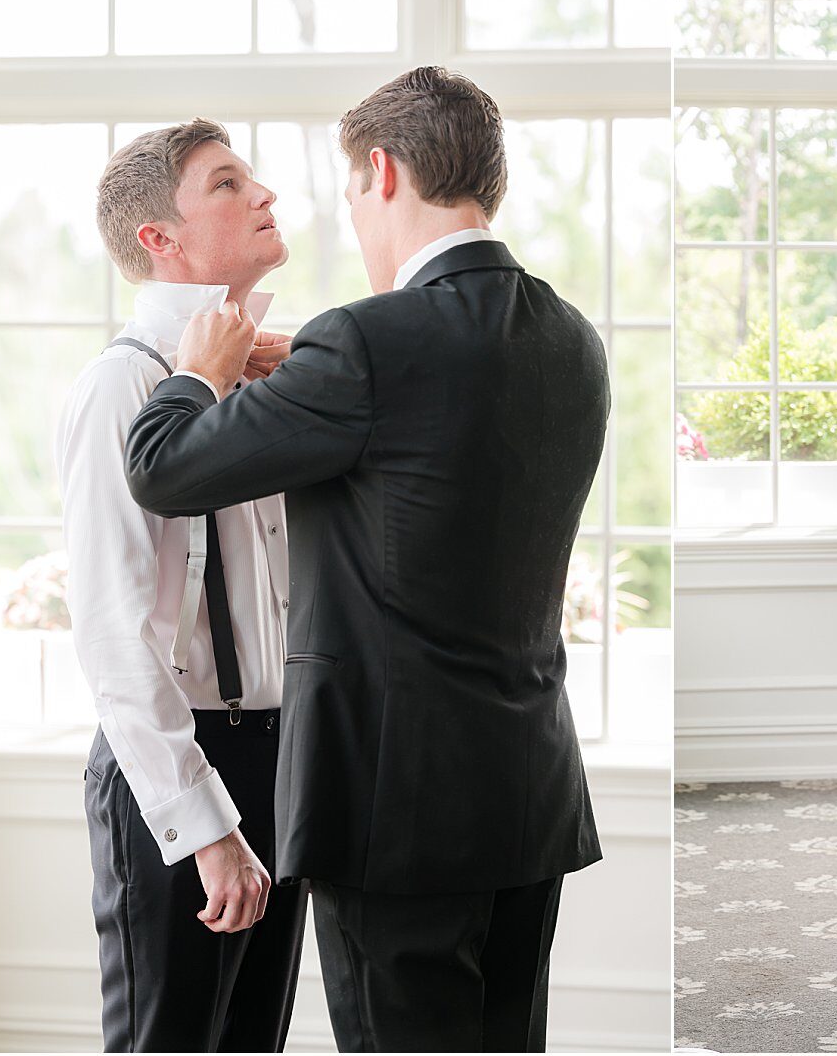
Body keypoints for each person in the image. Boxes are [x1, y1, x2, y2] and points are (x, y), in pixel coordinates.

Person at [122, 67, 608, 1052]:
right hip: (528, 794)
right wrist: (311, 366)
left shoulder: (366, 342)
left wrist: (201, 372)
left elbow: (162, 465)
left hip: (395, 813)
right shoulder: (571, 337)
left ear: (382, 171)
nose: (349, 213)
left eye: (349, 189)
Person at [57, 118, 306, 1051]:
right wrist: (205, 828)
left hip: (283, 759)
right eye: (228, 184)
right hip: (176, 764)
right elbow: (116, 636)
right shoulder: (120, 390)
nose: (265, 195)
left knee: (254, 1043)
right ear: (158, 239)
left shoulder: (272, 377)